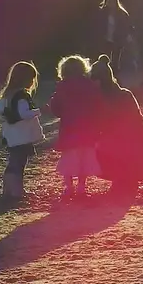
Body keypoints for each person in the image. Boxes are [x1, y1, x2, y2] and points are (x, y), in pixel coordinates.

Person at [91, 55, 143, 196]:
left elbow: (104, 124)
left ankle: (124, 178)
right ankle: (126, 178)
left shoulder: (101, 98)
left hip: (127, 141)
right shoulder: (124, 93)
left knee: (95, 147)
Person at [47, 54, 103, 201]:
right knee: (85, 157)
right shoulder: (90, 85)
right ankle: (81, 188)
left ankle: (69, 188)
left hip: (69, 128)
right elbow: (97, 106)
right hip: (87, 128)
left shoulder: (62, 86)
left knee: (69, 159)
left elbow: (56, 108)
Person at [0, 61, 44, 202]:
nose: (33, 82)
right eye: (32, 79)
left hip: (11, 135)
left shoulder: (8, 94)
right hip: (22, 136)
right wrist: (39, 111)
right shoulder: (21, 96)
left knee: (13, 162)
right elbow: (23, 114)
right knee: (19, 163)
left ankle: (8, 189)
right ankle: (17, 190)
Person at [96, 0, 132, 64]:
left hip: (117, 40)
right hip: (105, 39)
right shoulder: (102, 12)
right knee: (104, 60)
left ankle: (114, 73)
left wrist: (124, 37)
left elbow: (126, 27)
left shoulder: (122, 13)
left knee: (115, 61)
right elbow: (97, 26)